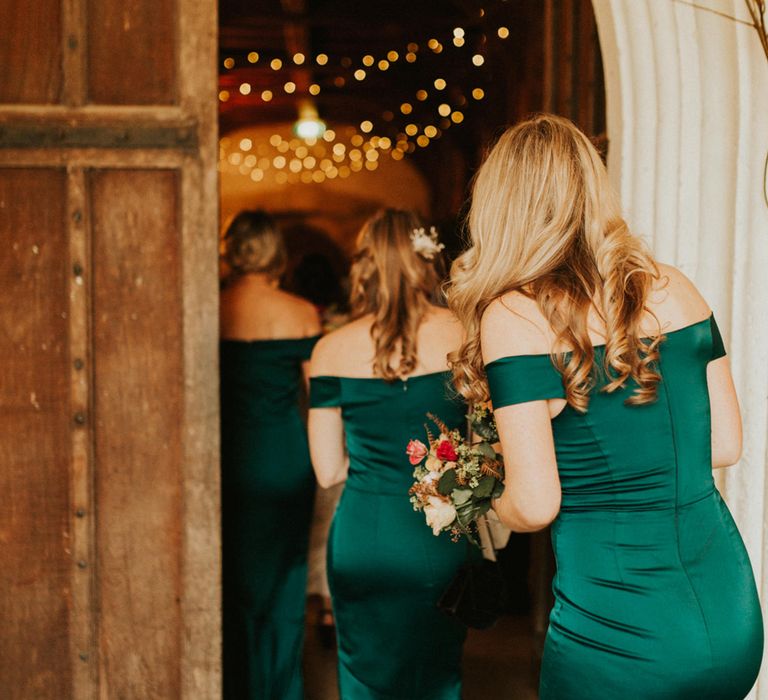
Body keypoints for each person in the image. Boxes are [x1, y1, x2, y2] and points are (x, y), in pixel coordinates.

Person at [447, 114, 764, 699]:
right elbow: (725, 444)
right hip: (731, 615)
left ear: (499, 206)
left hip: (621, 629)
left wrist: (487, 507)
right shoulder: (674, 287)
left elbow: (537, 504)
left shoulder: (516, 316)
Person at [308, 208, 472, 699]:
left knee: (363, 678)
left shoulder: (330, 350)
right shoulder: (466, 335)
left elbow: (327, 470)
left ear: (365, 267)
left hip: (363, 539)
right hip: (438, 535)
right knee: (436, 676)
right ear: (427, 261)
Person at [219, 210, 321, 699]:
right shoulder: (301, 313)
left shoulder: (207, 308)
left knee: (228, 576)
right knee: (284, 580)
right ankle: (279, 689)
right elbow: (317, 400)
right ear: (275, 251)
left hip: (223, 462)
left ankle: (233, 683)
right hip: (283, 458)